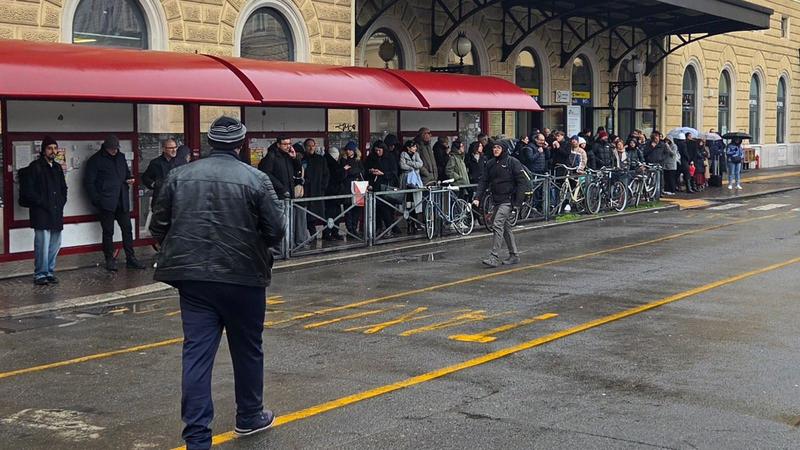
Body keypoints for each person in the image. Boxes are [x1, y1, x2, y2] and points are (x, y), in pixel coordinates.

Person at [150, 116, 284, 450]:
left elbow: (158, 225)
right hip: (244, 277)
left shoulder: (179, 176)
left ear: (210, 143)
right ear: (241, 143)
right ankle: (249, 415)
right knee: (248, 349)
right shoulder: (256, 179)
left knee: (196, 355)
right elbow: (276, 230)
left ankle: (197, 437)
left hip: (193, 278)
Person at [84, 135, 145, 271]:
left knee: (127, 230)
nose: (115, 151)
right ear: (106, 148)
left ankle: (131, 258)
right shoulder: (96, 160)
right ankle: (109, 259)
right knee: (108, 231)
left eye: (117, 148)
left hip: (122, 200)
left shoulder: (121, 157)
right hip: (106, 202)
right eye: (112, 149)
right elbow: (89, 183)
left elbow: (126, 173)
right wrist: (97, 200)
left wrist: (129, 178)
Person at [473, 141, 529, 267]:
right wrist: (477, 197)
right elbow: (484, 181)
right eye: (494, 147)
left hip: (508, 200)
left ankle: (494, 257)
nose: (496, 150)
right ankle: (514, 255)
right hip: (496, 200)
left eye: (498, 147)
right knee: (505, 227)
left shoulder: (512, 162)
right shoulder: (491, 163)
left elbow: (522, 182)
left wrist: (518, 203)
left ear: (504, 149)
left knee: (497, 224)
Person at [25, 136, 67, 285]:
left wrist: (61, 202)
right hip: (41, 212)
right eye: (50, 148)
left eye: (55, 148)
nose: (53, 151)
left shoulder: (57, 167)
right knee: (42, 245)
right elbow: (29, 191)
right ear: (43, 150)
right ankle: (40, 274)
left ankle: (49, 271)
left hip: (56, 212)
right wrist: (41, 202)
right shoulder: (35, 167)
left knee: (55, 244)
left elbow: (63, 188)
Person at [366, 140, 400, 236]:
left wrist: (383, 173)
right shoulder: (371, 158)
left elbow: (394, 172)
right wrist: (371, 171)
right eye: (376, 150)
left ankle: (389, 229)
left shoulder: (390, 157)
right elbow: (366, 169)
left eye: (379, 150)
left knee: (387, 209)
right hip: (375, 186)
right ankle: (378, 228)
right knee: (376, 209)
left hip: (387, 187)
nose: (378, 152)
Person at [302, 138, 330, 238]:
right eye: (309, 146)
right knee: (309, 215)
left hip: (318, 190)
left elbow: (326, 174)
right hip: (307, 191)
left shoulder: (320, 159)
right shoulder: (302, 159)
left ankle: (326, 234)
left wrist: (323, 186)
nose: (311, 148)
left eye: (313, 146)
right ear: (305, 147)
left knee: (321, 214)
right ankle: (313, 235)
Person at [142, 138, 178, 209]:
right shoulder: (156, 163)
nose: (174, 150)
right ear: (164, 149)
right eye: (171, 148)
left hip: (176, 200)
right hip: (160, 201)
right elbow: (145, 177)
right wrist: (154, 184)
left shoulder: (180, 162)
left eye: (175, 147)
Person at [399, 140, 424, 234]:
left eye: (415, 146)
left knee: (415, 202)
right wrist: (412, 167)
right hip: (406, 180)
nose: (415, 148)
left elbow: (420, 164)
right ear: (408, 148)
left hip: (416, 180)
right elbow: (402, 165)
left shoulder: (416, 154)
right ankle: (409, 222)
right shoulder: (403, 154)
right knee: (407, 201)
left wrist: (410, 164)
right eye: (413, 147)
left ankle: (415, 222)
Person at [340, 141, 364, 236]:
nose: (348, 151)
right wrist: (351, 171)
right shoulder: (343, 160)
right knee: (348, 209)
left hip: (358, 186)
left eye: (350, 150)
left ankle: (354, 228)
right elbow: (344, 173)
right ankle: (350, 230)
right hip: (347, 187)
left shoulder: (358, 160)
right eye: (347, 150)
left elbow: (362, 171)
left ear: (354, 151)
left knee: (357, 208)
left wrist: (352, 171)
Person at [323, 147, 344, 240]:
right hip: (333, 191)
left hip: (332, 191)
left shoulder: (327, 161)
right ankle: (329, 232)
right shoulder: (333, 164)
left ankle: (331, 232)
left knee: (332, 213)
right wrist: (344, 170)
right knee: (332, 213)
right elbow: (339, 176)